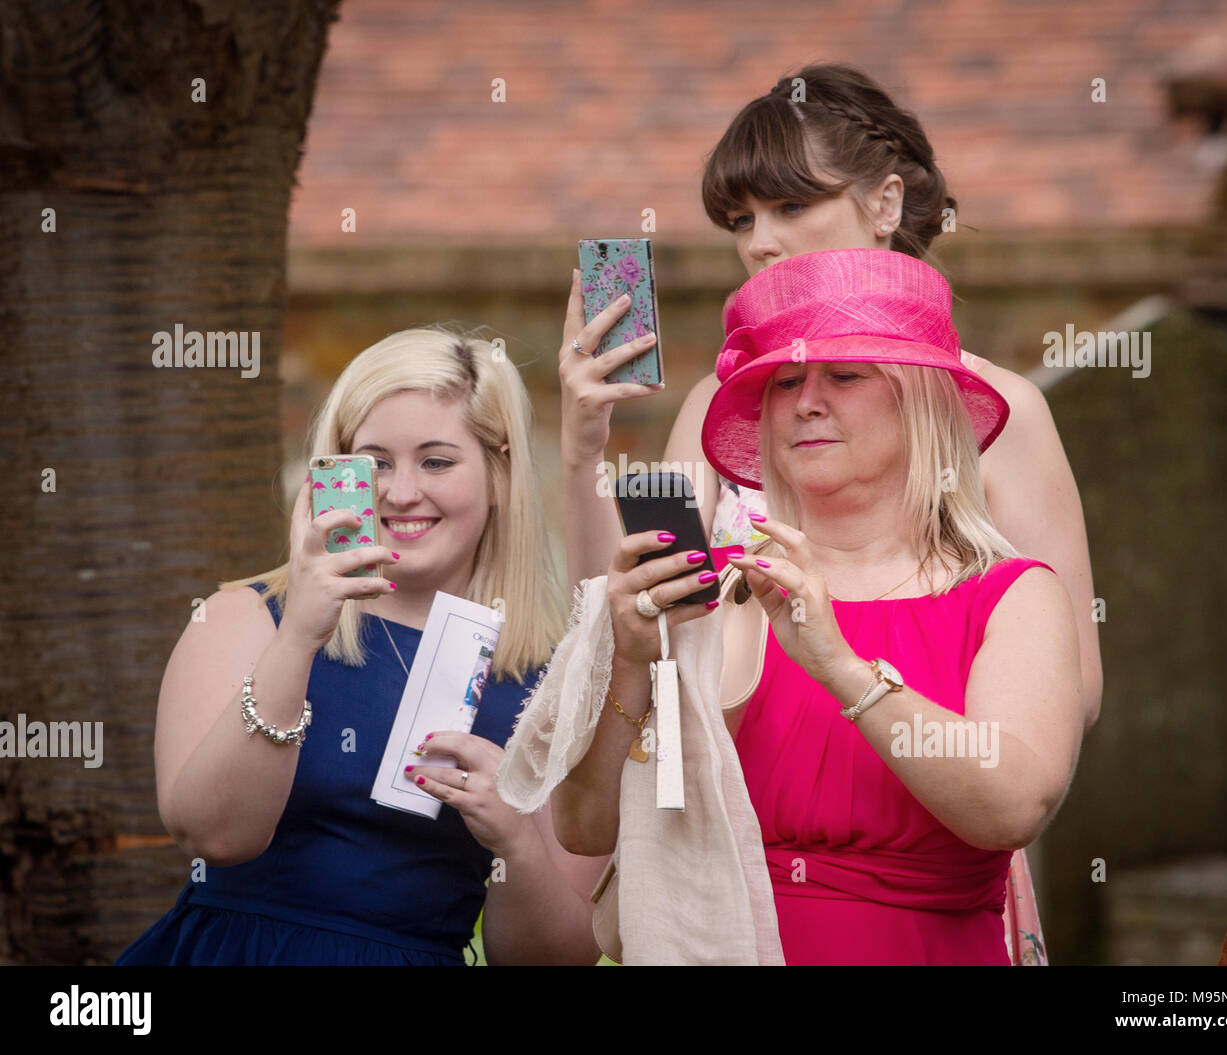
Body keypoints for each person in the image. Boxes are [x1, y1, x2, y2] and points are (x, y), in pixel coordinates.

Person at [558, 63, 1091, 961]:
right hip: (729, 830)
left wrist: (863, 679)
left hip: (924, 823)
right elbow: (613, 614)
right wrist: (581, 453)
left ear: (886, 204)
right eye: (740, 221)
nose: (761, 242)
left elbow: (1072, 689)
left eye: (790, 207)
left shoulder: (997, 411)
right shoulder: (720, 406)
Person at [117, 326, 605, 965]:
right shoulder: (244, 618)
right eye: (374, 461)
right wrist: (299, 640)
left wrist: (515, 842)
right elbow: (213, 835)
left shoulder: (546, 678)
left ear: (498, 471)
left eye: (436, 461)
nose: (400, 493)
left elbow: (550, 956)